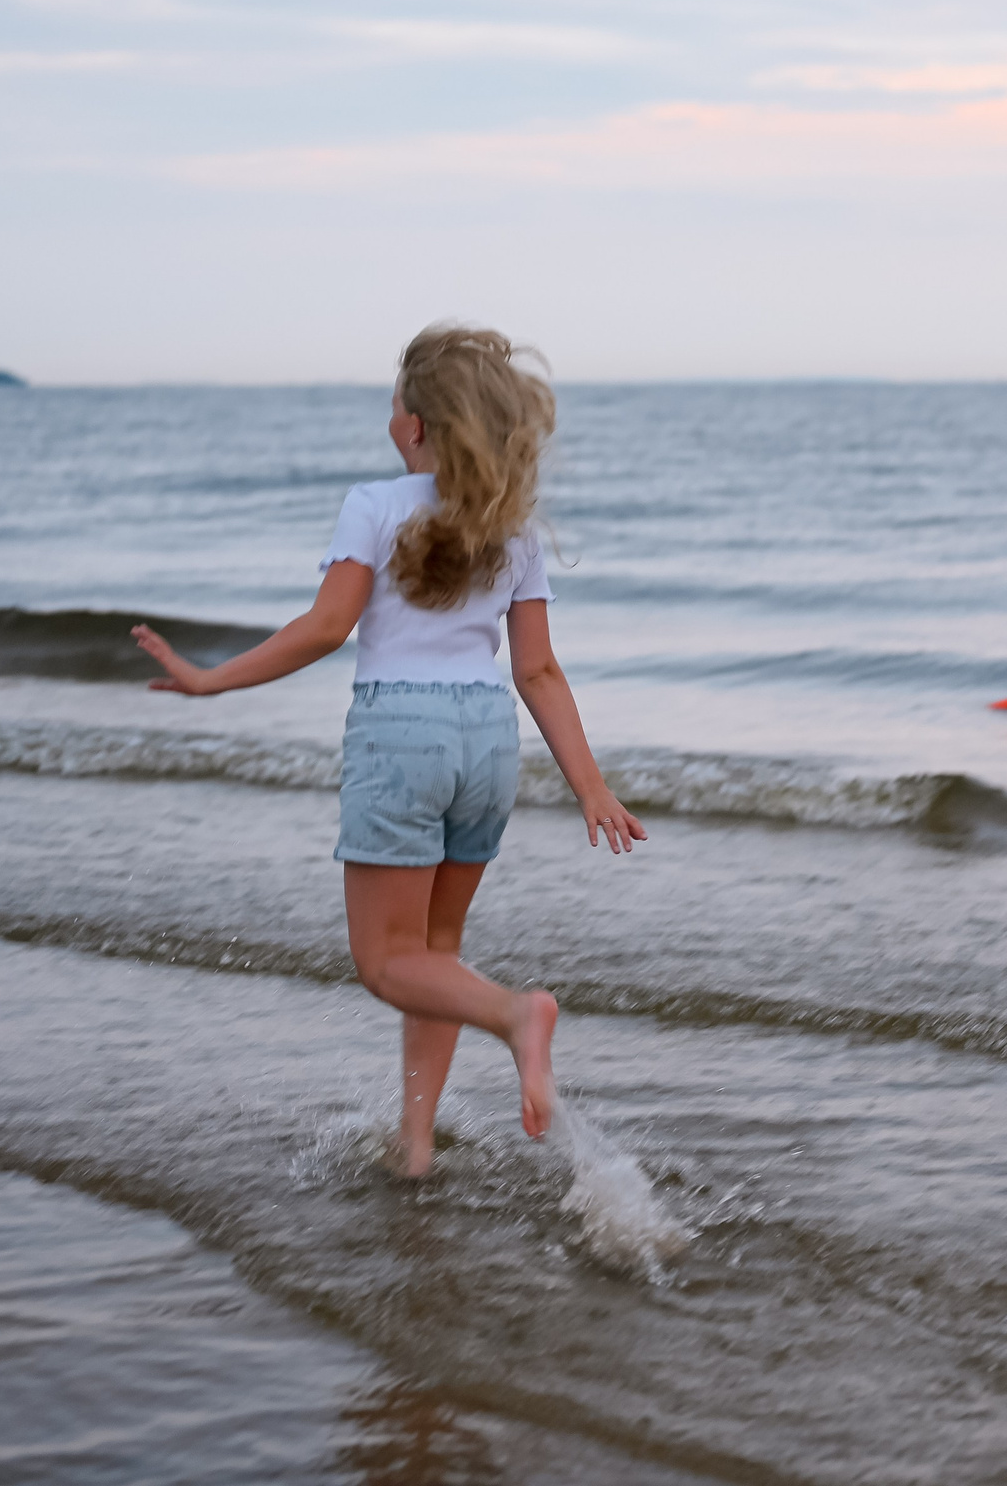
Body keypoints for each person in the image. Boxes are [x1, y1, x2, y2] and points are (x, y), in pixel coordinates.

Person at [133, 324, 644, 1178]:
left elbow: (327, 627)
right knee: (431, 952)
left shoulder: (373, 504)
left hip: (401, 735)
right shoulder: (511, 528)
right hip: (486, 745)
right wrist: (590, 786)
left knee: (385, 963)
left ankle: (517, 1016)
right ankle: (415, 1146)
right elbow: (539, 670)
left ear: (415, 424)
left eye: (397, 397)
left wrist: (210, 680)